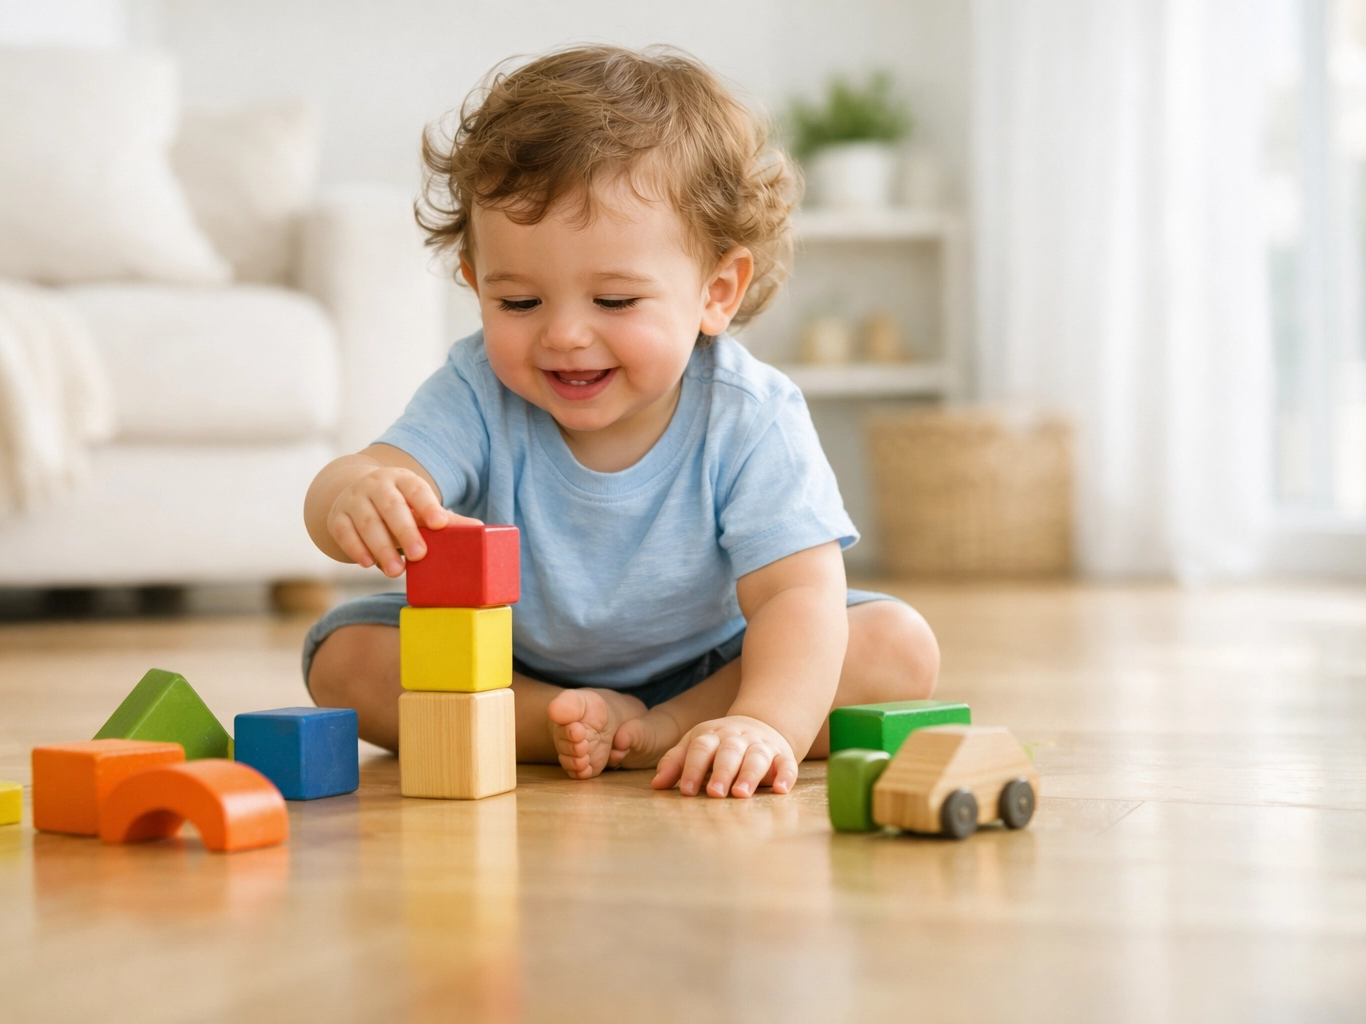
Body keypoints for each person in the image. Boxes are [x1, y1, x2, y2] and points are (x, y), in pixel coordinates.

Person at [301, 44, 939, 799]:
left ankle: (677, 728)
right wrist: (358, 493)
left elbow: (796, 594)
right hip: (509, 661)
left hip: (718, 664)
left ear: (717, 291)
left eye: (613, 302)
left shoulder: (749, 414)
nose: (565, 335)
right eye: (519, 302)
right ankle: (560, 723)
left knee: (896, 647)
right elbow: (370, 472)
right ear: (476, 286)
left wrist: (767, 720)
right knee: (344, 660)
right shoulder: (478, 387)